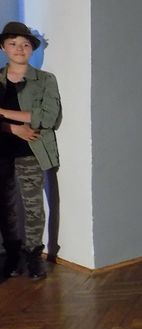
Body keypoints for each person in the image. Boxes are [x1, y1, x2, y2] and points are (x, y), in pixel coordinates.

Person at [0, 21, 62, 280]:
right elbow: (28, 119)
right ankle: (13, 255)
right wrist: (14, 128)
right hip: (2, 152)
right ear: (3, 48)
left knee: (33, 205)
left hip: (31, 151)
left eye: (25, 44)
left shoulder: (45, 80)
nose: (19, 48)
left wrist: (2, 112)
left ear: (32, 49)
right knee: (6, 206)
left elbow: (49, 117)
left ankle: (33, 256)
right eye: (13, 43)